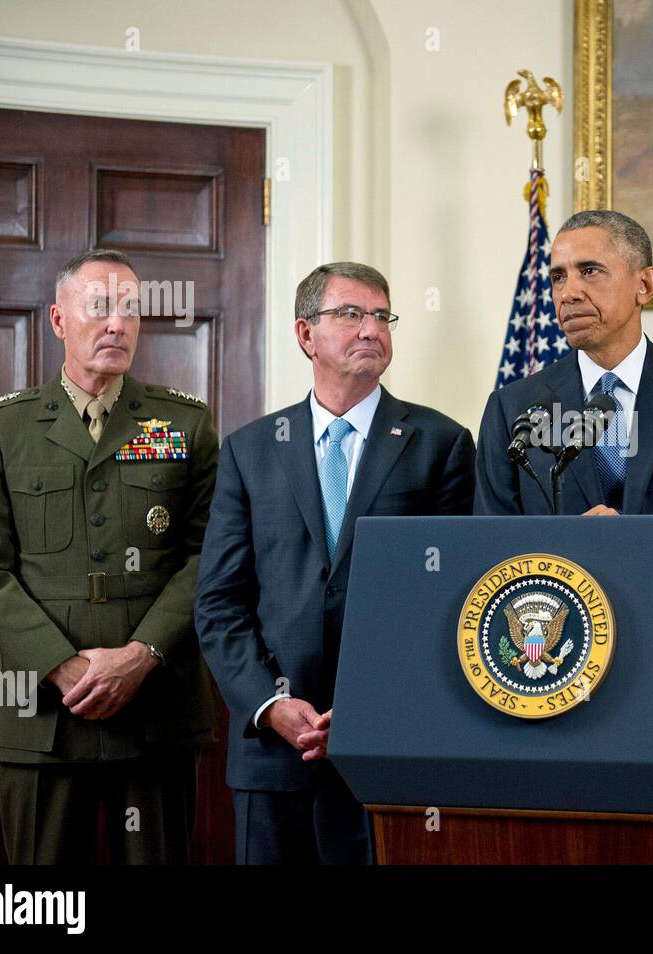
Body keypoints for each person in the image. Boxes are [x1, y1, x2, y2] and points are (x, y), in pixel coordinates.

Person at [195, 262, 475, 864]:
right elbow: (220, 602)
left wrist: (374, 701)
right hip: (273, 756)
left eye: (382, 315)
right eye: (350, 314)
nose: (371, 328)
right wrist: (270, 705)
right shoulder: (248, 450)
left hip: (390, 748)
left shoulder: (442, 443)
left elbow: (454, 601)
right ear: (305, 335)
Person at [0, 248, 218, 864]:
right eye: (99, 307)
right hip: (44, 717)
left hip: (155, 712)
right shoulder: (3, 429)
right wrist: (58, 665)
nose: (118, 323)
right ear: (57, 320)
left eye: (130, 309)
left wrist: (142, 655)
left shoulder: (184, 424)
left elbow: (210, 557)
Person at [475, 209, 653, 546]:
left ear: (644, 285)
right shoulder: (511, 407)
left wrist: (633, 552)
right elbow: (489, 550)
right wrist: (564, 545)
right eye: (558, 277)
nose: (568, 293)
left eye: (589, 271)